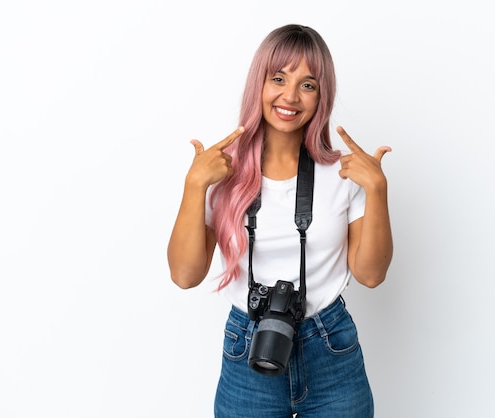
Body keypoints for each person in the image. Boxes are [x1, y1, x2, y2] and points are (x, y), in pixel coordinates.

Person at [167, 24, 393, 418]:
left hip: (330, 345)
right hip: (247, 343)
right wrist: (193, 187)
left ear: (322, 95)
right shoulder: (220, 171)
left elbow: (371, 275)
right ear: (260, 83)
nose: (290, 96)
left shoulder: (344, 174)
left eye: (308, 84)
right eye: (278, 78)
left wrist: (377, 190)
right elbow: (185, 276)